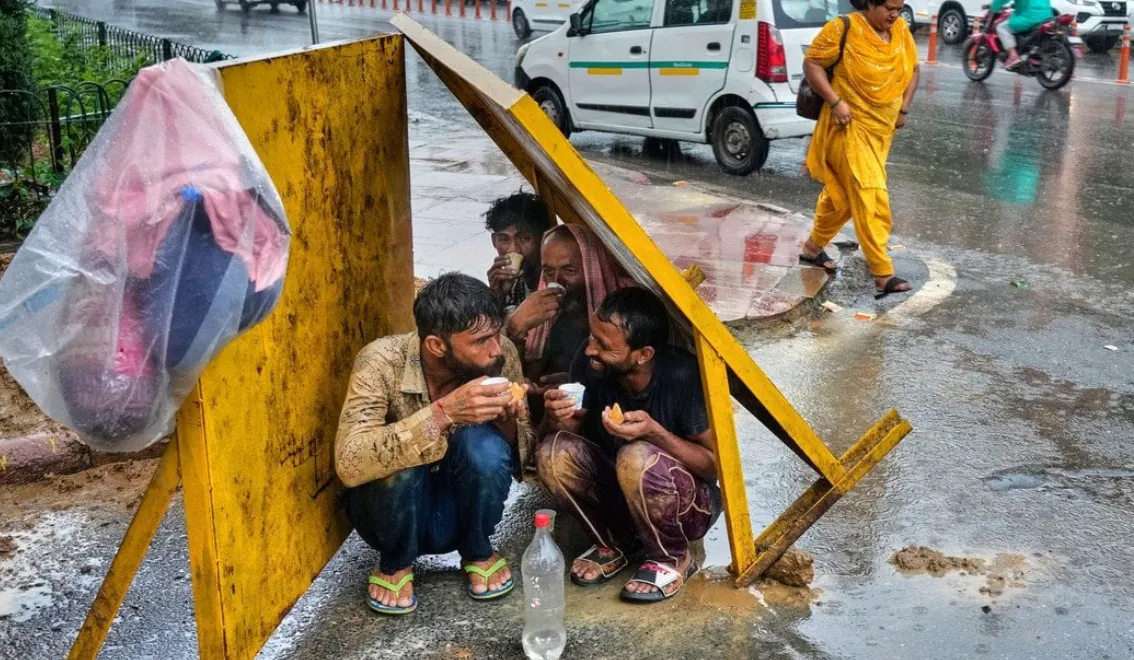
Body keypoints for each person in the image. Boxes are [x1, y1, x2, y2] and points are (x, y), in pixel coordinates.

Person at [335, 273, 534, 615]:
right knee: (401, 458)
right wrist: (443, 414)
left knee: (482, 447)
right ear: (437, 346)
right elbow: (350, 462)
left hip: (460, 511)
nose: (496, 348)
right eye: (481, 340)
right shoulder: (381, 361)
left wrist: (507, 421)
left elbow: (522, 460)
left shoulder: (501, 355)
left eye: (497, 333)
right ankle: (395, 563)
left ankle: (477, 549)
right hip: (390, 512)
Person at [537, 287, 721, 603]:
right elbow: (573, 434)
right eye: (592, 337)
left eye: (604, 345)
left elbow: (714, 466)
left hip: (689, 505)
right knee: (553, 452)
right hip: (623, 492)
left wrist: (654, 433)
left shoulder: (683, 375)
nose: (590, 350)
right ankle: (612, 542)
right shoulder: (591, 364)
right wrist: (559, 418)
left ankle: (672, 557)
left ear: (643, 354)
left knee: (636, 455)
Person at [798, 0, 920, 300]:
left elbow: (914, 70)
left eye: (900, 7)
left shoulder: (901, 30)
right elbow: (812, 64)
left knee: (842, 197)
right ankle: (882, 274)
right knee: (870, 192)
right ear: (870, 2)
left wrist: (903, 108)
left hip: (881, 131)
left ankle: (812, 249)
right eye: (889, 7)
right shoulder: (843, 28)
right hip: (846, 128)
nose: (896, 14)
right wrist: (835, 101)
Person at [511, 223, 636, 385]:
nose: (556, 282)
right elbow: (529, 374)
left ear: (593, 268)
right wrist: (516, 330)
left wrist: (580, 384)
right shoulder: (545, 313)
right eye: (548, 271)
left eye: (568, 270)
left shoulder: (628, 304)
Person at [484, 191, 555, 311]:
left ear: (544, 238)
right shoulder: (510, 284)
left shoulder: (556, 281)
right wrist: (497, 297)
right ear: (494, 241)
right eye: (503, 239)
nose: (514, 249)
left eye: (525, 238)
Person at [991, 0, 1054, 69]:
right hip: (1047, 17)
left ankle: (1013, 55)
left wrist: (993, 8)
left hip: (1029, 17)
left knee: (1001, 27)